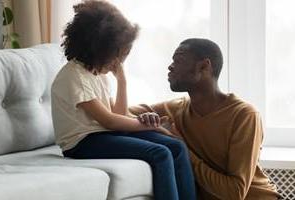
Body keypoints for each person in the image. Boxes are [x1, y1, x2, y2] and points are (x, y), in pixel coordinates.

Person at [50, 1, 197, 200]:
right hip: (82, 143)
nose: (119, 63)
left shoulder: (96, 74)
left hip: (103, 135)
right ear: (99, 49)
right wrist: (147, 126)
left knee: (177, 147)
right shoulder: (74, 77)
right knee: (160, 153)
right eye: (117, 56)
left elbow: (118, 114)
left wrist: (122, 81)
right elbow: (109, 121)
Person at [130, 38, 280, 200]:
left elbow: (234, 193)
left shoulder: (244, 115)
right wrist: (144, 118)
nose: (170, 66)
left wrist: (182, 147)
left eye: (178, 60)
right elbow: (116, 113)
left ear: (204, 66)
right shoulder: (174, 109)